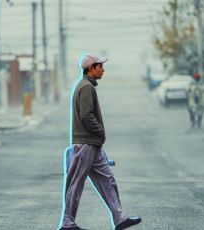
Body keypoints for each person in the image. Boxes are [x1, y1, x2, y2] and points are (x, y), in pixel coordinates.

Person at [59, 54, 142, 230]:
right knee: (76, 183)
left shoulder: (86, 86)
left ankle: (120, 218)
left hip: (92, 144)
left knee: (107, 179)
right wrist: (99, 131)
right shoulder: (86, 87)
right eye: (100, 66)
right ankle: (67, 222)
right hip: (86, 143)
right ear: (91, 68)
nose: (103, 69)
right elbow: (86, 115)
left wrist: (98, 137)